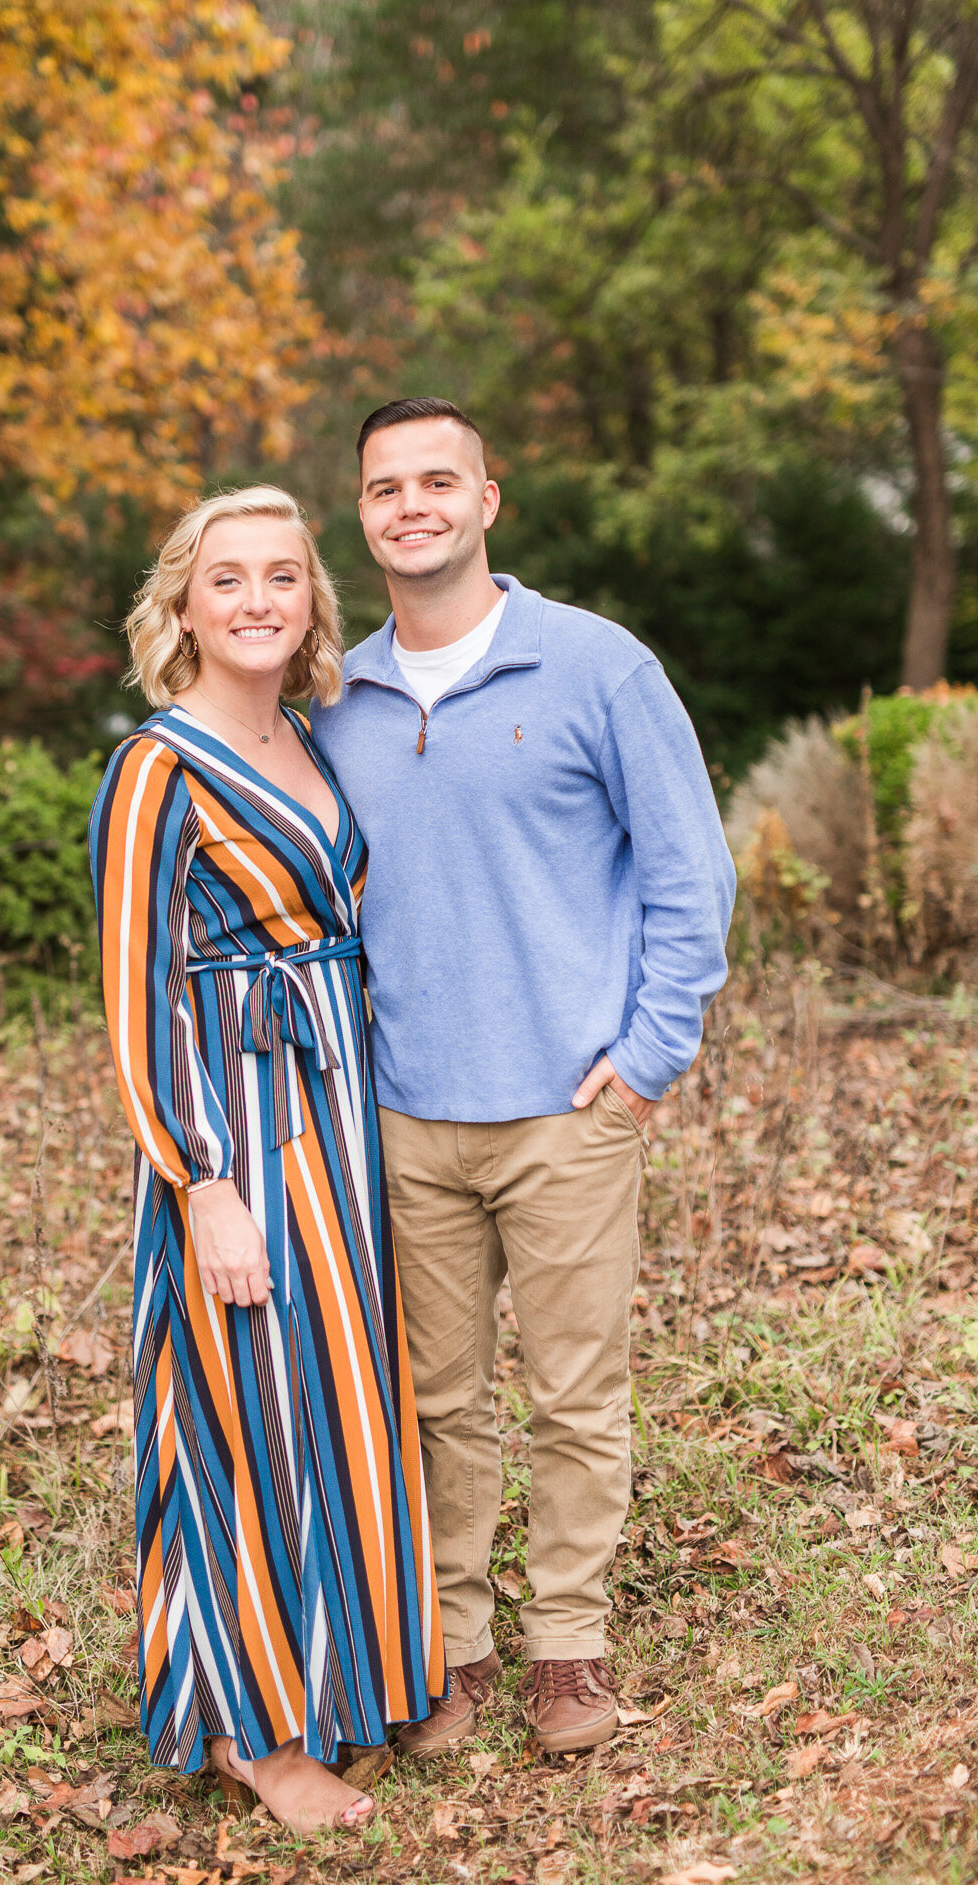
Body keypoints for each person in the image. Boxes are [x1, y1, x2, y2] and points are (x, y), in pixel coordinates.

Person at [311, 399, 735, 1756]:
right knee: (435, 1404)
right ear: (363, 514)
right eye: (386, 488)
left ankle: (569, 1652)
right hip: (402, 1116)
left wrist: (648, 1057)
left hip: (566, 1109)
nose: (412, 505)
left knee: (570, 1395)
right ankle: (452, 1649)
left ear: (488, 499)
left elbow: (689, 873)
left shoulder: (594, 667)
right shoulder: (339, 698)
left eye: (438, 481)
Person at [88, 485, 444, 1832]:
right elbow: (133, 1003)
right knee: (241, 1414)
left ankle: (352, 1679)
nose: (255, 600)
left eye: (281, 577)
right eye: (226, 577)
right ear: (181, 603)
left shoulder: (312, 738)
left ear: (310, 603)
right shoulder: (155, 769)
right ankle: (252, 1730)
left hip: (343, 1120)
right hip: (232, 1130)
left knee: (341, 1402)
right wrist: (203, 1187)